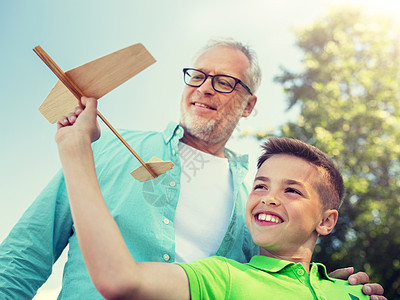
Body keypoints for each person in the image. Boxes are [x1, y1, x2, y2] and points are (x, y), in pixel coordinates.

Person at [0, 38, 383, 298]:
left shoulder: (252, 202)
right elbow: (23, 256)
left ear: (249, 105)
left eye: (224, 82)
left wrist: (317, 285)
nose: (204, 88)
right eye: (197, 76)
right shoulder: (105, 149)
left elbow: (268, 277)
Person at [55, 98, 378, 299]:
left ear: (326, 221)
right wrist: (76, 152)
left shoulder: (352, 292)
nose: (269, 199)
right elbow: (119, 280)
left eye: (291, 190)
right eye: (261, 186)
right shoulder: (222, 276)